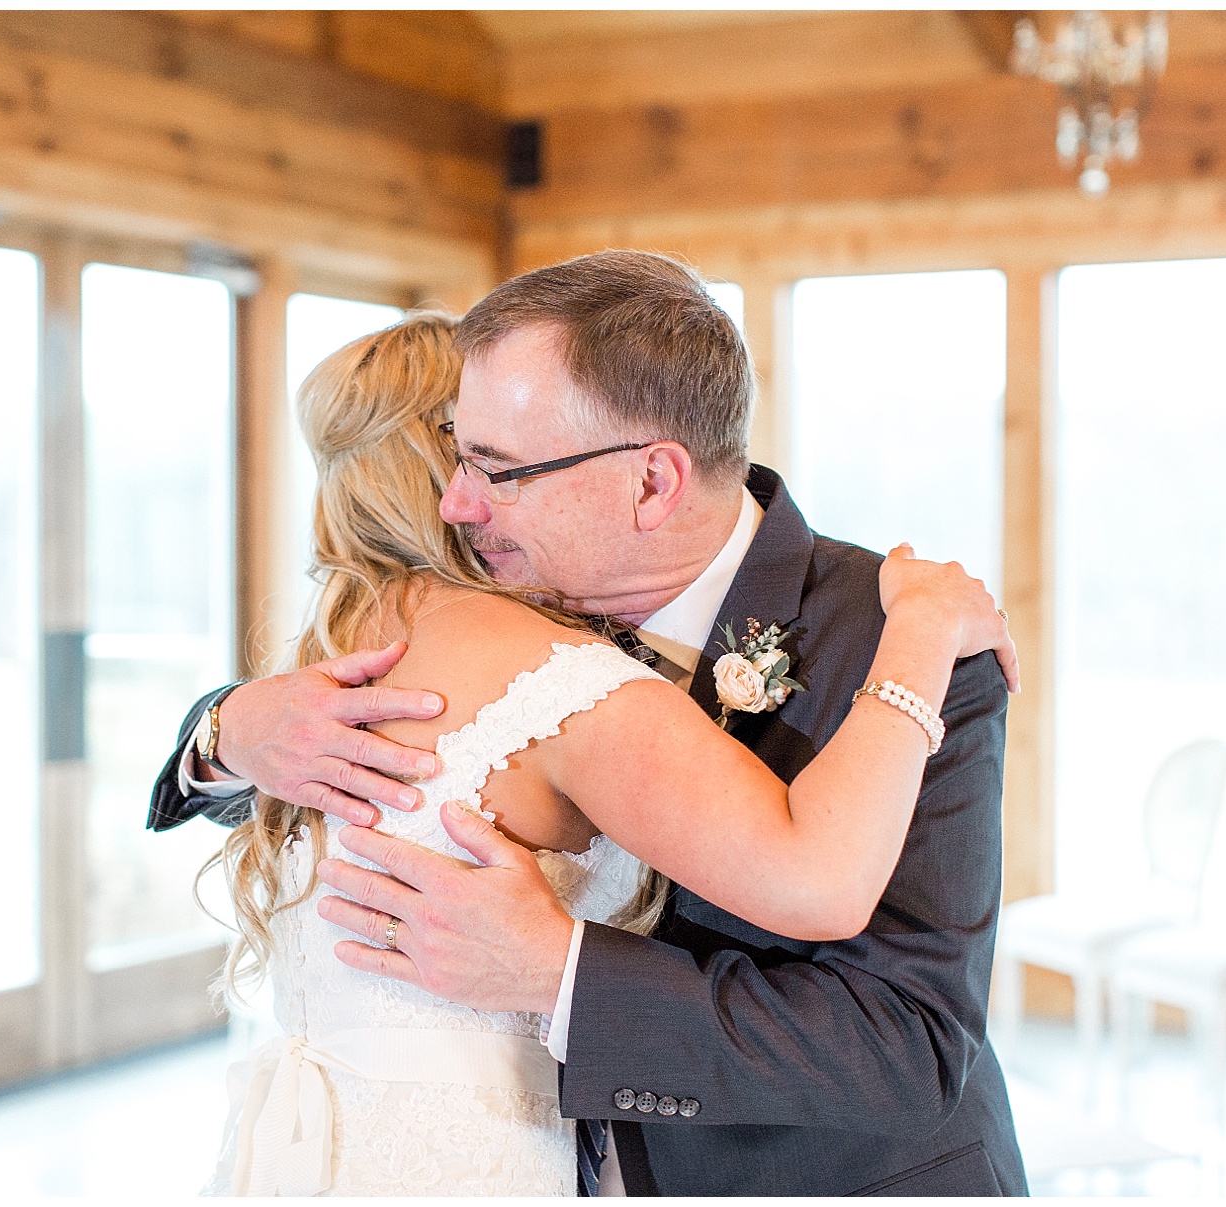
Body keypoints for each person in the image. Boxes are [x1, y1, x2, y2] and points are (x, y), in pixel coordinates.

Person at [156, 252, 1027, 1196]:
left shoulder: (902, 646)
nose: (457, 503)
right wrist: (226, 733)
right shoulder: (489, 609)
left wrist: (561, 972)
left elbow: (911, 1048)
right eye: (456, 456)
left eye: (497, 468)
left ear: (653, 483)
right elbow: (360, 786)